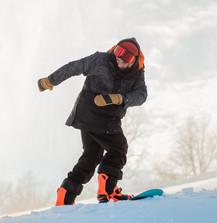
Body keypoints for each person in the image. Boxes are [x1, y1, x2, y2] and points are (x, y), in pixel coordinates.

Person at [38, 37, 147, 205]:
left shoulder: (137, 72)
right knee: (118, 148)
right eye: (118, 57)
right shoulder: (101, 59)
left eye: (125, 62)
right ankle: (109, 192)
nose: (120, 63)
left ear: (134, 60)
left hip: (93, 116)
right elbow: (74, 67)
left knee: (92, 155)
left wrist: (119, 98)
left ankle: (66, 194)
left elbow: (141, 95)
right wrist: (51, 80)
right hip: (93, 111)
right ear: (114, 50)